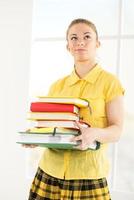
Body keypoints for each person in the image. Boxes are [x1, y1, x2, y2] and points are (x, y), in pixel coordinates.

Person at [26, 18, 124, 200]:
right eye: (73, 38)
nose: (80, 42)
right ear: (68, 46)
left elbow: (117, 131)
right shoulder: (57, 86)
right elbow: (52, 126)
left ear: (97, 43)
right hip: (49, 172)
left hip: (88, 175)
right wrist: (36, 136)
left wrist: (94, 133)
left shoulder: (110, 83)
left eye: (87, 36)